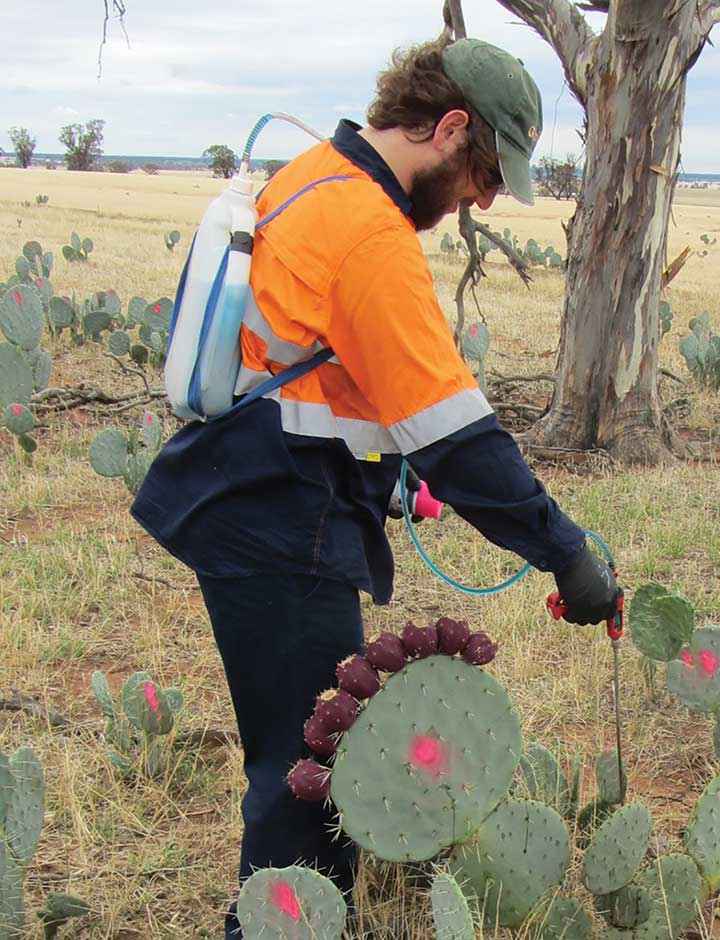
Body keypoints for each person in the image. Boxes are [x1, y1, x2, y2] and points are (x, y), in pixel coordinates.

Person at [130, 36, 621, 938]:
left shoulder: (312, 174)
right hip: (280, 520)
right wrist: (566, 553)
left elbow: (317, 365)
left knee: (305, 755)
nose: (479, 198)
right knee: (306, 775)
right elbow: (464, 444)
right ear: (450, 127)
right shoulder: (371, 234)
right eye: (482, 172)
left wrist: (390, 473)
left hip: (255, 492)